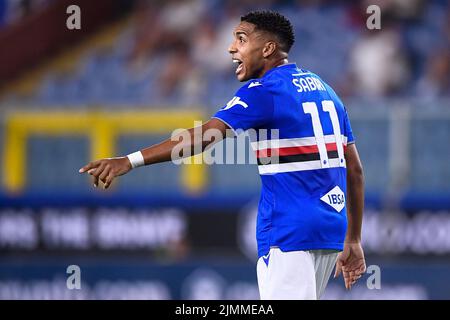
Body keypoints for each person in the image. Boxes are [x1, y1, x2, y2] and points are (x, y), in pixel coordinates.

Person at [79, 10, 366, 300]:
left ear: (267, 48)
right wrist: (353, 238)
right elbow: (354, 170)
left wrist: (129, 160)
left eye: (241, 39)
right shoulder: (327, 90)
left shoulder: (264, 91)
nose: (232, 48)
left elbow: (204, 136)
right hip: (330, 230)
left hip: (289, 231)